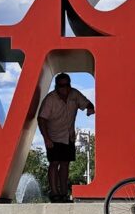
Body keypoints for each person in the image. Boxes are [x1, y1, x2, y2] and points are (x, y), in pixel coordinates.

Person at [37, 73, 95, 202]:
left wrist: (90, 108)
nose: (64, 88)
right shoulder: (50, 99)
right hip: (53, 136)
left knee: (65, 164)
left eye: (67, 85)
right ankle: (54, 193)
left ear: (70, 85)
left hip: (68, 136)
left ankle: (63, 193)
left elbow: (87, 103)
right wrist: (46, 138)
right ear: (56, 86)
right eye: (61, 85)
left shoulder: (75, 94)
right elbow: (41, 119)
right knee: (54, 163)